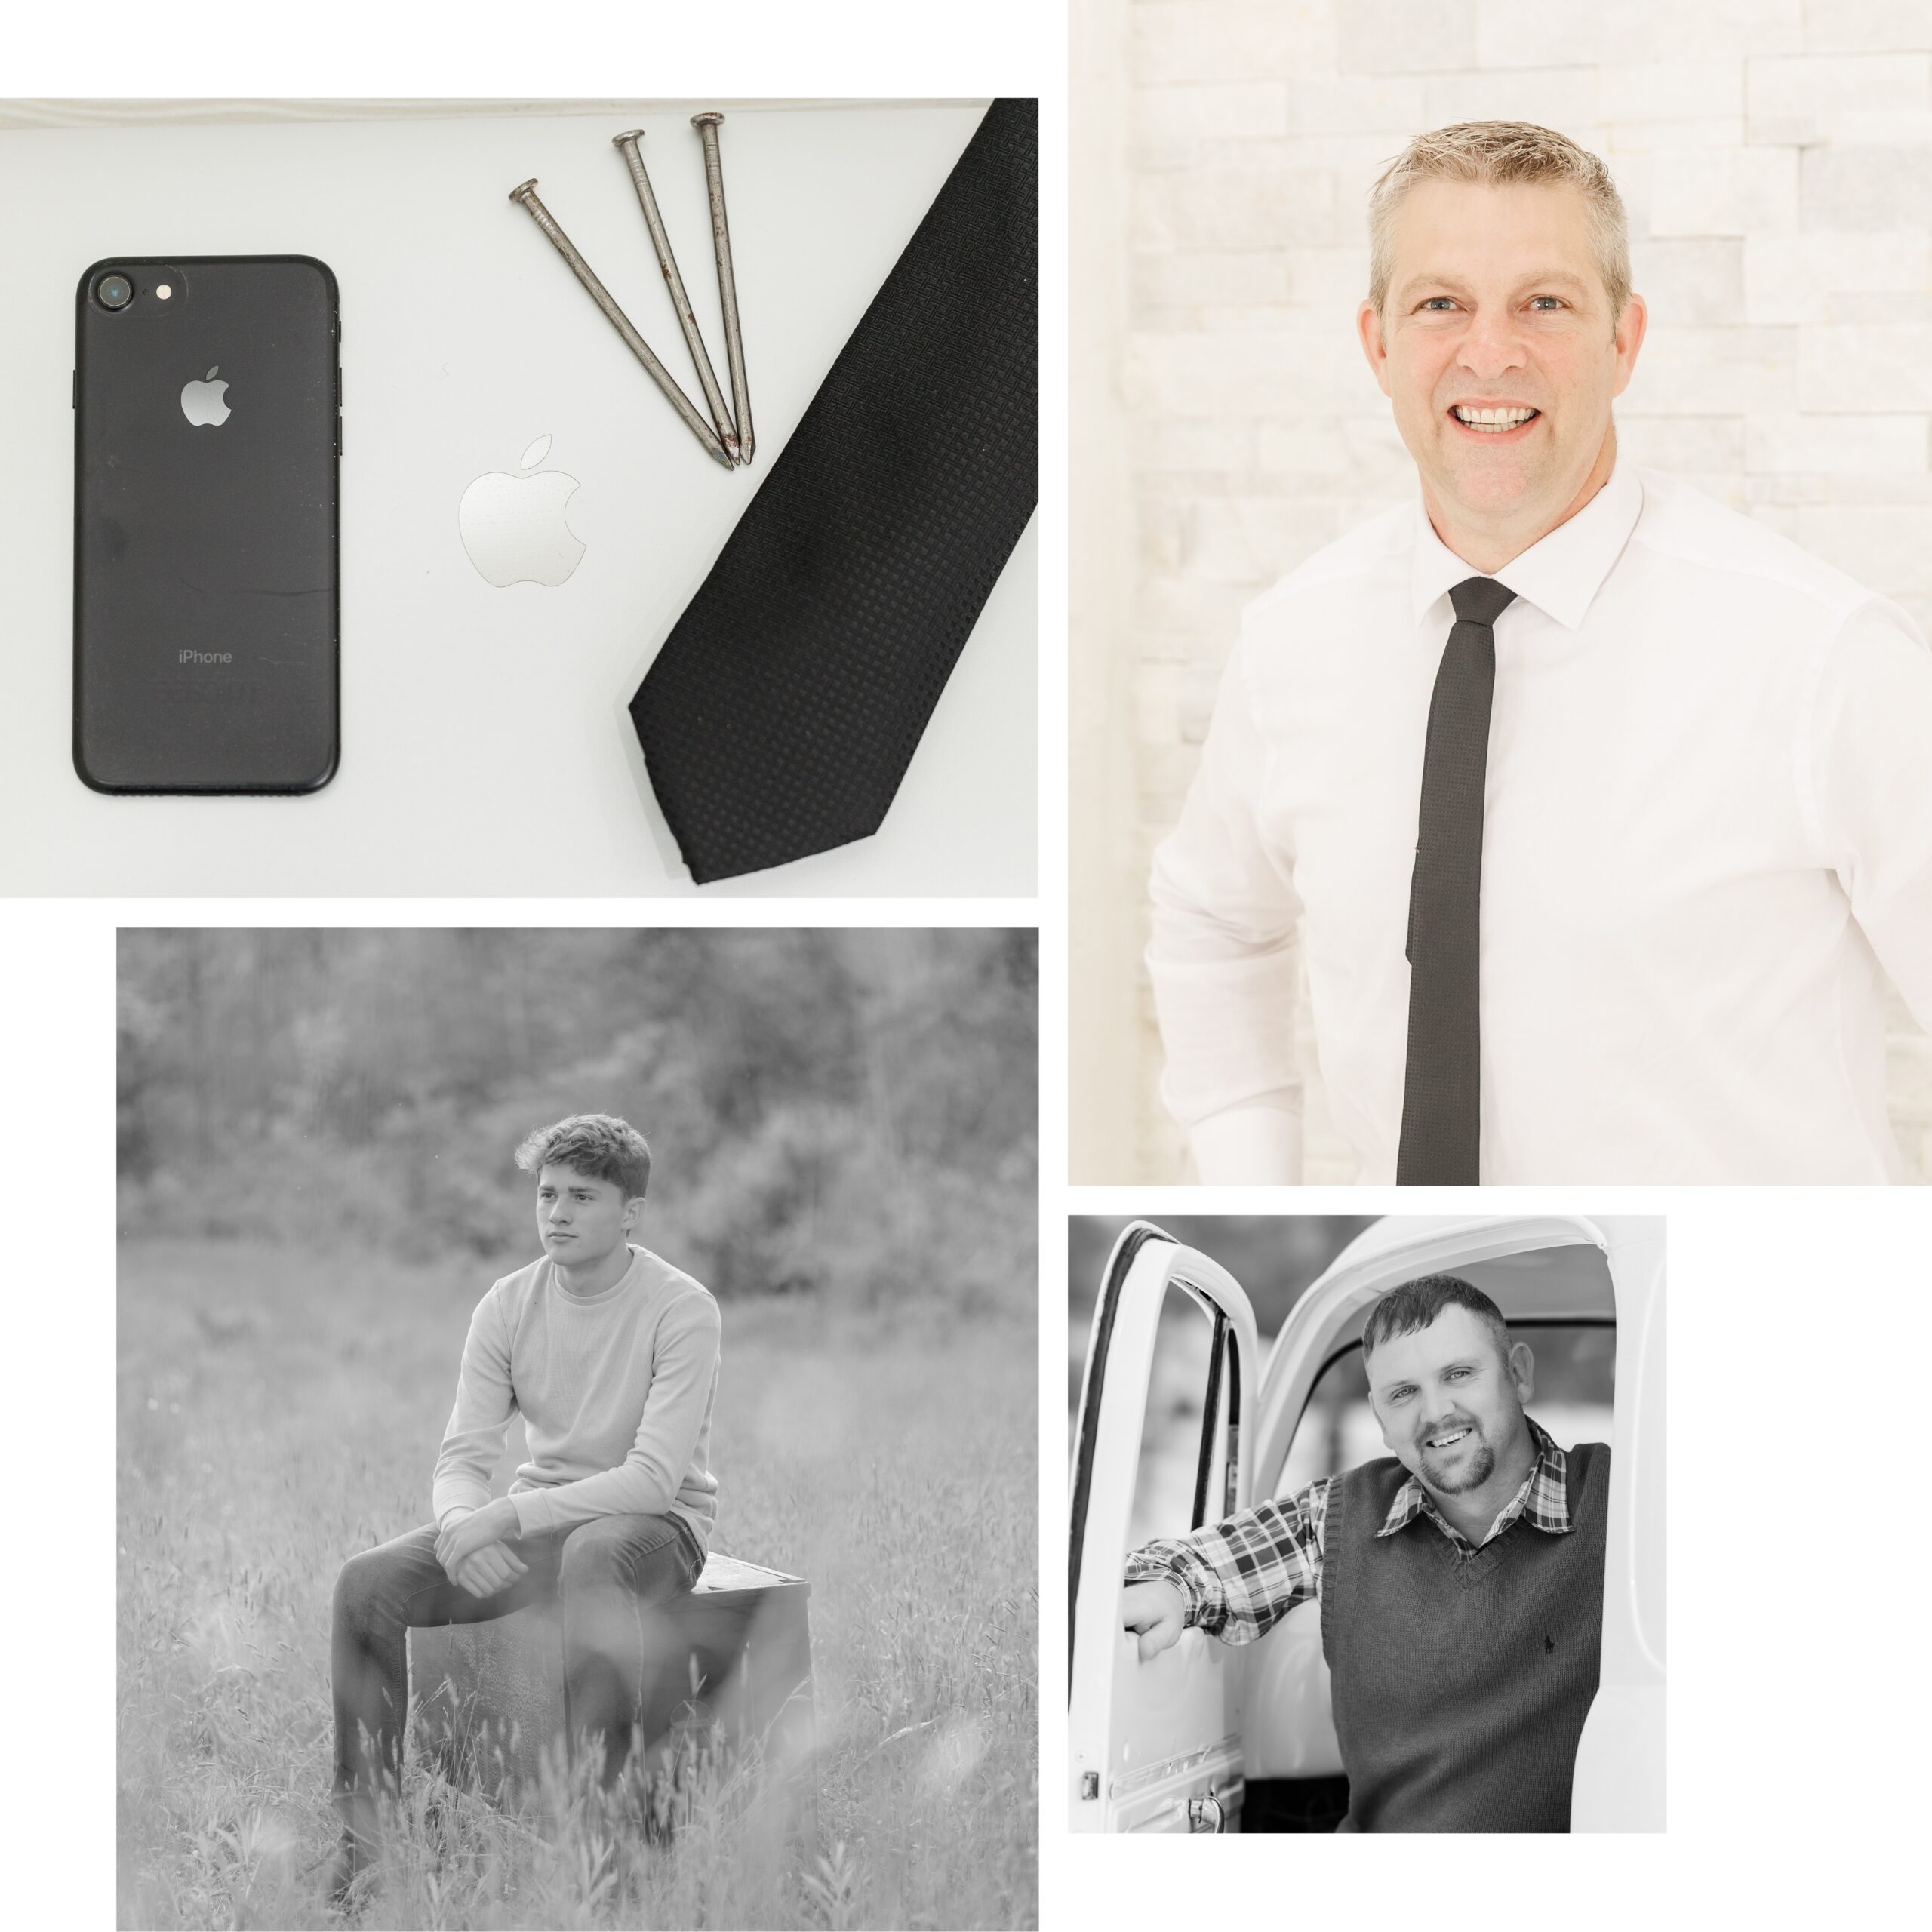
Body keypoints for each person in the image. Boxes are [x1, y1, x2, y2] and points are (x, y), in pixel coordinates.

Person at [1147, 119, 1932, 1186]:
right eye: (1441, 306)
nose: (1490, 353)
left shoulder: (1822, 658)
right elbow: (1213, 917)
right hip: (1439, 1309)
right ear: (1377, 343)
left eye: (1544, 304)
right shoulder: (1292, 644)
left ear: (1626, 339)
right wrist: (1247, 1189)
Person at [328, 1112, 721, 1894]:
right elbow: (463, 1457)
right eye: (546, 1196)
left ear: (630, 1211)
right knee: (365, 1583)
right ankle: (364, 1850)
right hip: (543, 1523)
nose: (557, 1214)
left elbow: (649, 1479)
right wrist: (456, 1527)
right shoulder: (507, 1303)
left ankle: (607, 1849)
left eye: (581, 1197)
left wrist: (501, 1518)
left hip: (656, 1529)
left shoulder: (682, 1308)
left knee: (594, 1552)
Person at [1121, 1275, 1607, 1833]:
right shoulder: (1342, 1514)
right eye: (1403, 1393)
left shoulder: (1619, 1498)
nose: (1436, 1412)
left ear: (1518, 1374)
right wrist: (1170, 1588)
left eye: (1459, 1374)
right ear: (1379, 1418)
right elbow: (1202, 1563)